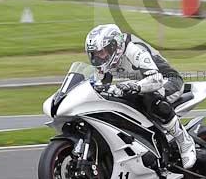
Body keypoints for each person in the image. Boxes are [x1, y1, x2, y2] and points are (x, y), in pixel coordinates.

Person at [84, 24, 196, 168]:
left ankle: (184, 141)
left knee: (153, 99)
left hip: (167, 80)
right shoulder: (106, 62)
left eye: (102, 52)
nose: (99, 57)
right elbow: (98, 85)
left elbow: (156, 80)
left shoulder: (133, 50)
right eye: (95, 54)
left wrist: (134, 86)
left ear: (114, 46)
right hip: (142, 83)